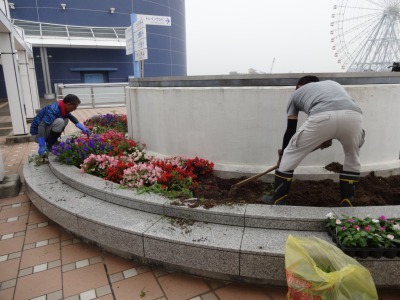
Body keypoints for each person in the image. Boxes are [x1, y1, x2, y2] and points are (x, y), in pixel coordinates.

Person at [262, 75, 365, 207]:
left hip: (321, 116)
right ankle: (347, 201)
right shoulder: (333, 84)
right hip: (354, 116)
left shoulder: (295, 94)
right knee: (352, 157)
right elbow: (338, 115)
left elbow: (291, 128)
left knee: (290, 154)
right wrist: (326, 137)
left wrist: (283, 154)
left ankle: (278, 198)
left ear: (299, 86)